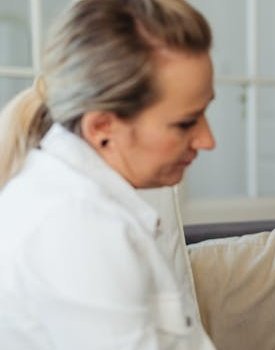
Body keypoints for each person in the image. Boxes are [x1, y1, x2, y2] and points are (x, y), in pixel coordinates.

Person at [0, 0, 217, 348]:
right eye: (185, 123)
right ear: (102, 127)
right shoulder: (77, 227)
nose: (207, 140)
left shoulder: (83, 201)